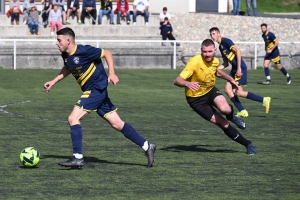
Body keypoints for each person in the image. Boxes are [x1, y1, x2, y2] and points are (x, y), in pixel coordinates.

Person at [43, 27, 156, 168]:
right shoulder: (65, 55)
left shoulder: (84, 51)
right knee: (117, 123)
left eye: (59, 40)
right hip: (96, 92)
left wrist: (112, 73)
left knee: (73, 118)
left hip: (96, 89)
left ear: (68, 40)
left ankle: (78, 157)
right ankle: (147, 146)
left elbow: (107, 53)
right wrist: (53, 81)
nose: (57, 43)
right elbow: (68, 67)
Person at [174, 39, 256, 155]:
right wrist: (187, 83)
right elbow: (177, 80)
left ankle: (232, 116)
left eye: (210, 51)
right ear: (201, 51)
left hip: (210, 90)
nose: (207, 54)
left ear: (215, 50)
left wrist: (231, 79)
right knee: (223, 123)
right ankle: (248, 144)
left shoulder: (216, 61)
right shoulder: (194, 62)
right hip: (196, 100)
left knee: (225, 109)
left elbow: (216, 72)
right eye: (204, 52)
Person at [209, 27, 271, 118]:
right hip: (234, 69)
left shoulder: (225, 41)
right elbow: (225, 63)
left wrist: (238, 68)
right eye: (211, 34)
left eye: (214, 34)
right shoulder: (220, 47)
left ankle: (264, 100)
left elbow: (238, 50)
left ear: (219, 33)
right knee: (227, 89)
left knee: (238, 92)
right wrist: (216, 69)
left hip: (239, 68)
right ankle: (242, 111)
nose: (212, 36)